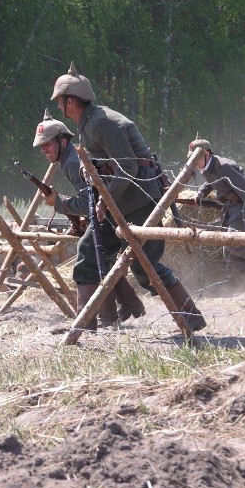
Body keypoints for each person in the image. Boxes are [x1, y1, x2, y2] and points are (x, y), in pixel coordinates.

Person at [50, 62, 206, 332]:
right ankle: (84, 323)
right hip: (119, 203)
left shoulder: (102, 124)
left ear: (70, 101)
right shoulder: (89, 124)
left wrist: (102, 200)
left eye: (60, 101)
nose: (58, 107)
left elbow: (128, 169)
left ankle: (191, 317)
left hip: (139, 202)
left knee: (145, 269)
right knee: (89, 251)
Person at [34, 109, 146, 326]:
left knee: (88, 253)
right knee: (99, 257)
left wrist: (58, 202)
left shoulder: (73, 162)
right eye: (41, 145)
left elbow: (88, 203)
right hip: (111, 208)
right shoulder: (68, 159)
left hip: (115, 209)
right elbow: (90, 198)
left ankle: (86, 322)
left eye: (47, 143)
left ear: (62, 140)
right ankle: (126, 307)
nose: (43, 149)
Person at [188, 137, 245, 284]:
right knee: (228, 251)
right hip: (232, 208)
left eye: (196, 158)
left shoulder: (225, 167)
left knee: (232, 242)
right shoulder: (208, 167)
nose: (194, 163)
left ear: (207, 154)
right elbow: (212, 181)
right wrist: (202, 192)